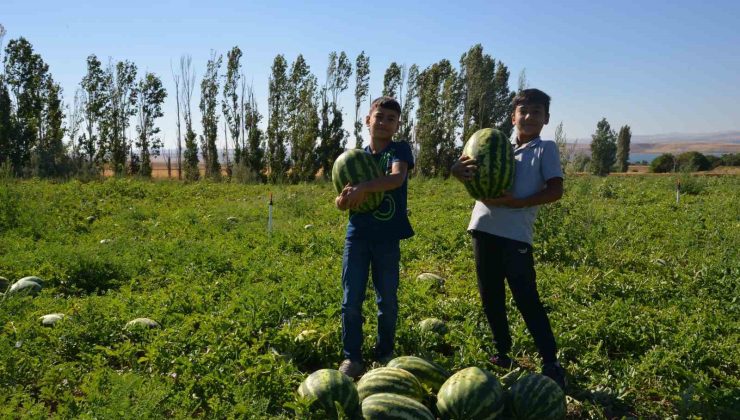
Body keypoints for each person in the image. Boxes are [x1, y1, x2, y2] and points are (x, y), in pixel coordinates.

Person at [451, 88, 567, 389]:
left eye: (536, 112)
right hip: (482, 227)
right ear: (513, 116)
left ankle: (550, 359)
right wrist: (456, 170)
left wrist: (519, 202)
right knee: (490, 295)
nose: (529, 117)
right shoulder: (494, 142)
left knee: (526, 297)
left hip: (516, 235)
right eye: (523, 112)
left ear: (546, 118)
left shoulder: (546, 149)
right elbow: (467, 171)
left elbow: (556, 190)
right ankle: (503, 352)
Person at [334, 96, 415, 379]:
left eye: (390, 119)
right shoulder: (353, 159)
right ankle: (352, 357)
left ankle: (384, 353)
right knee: (350, 298)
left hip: (387, 238)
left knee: (387, 300)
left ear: (397, 125)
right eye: (378, 117)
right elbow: (341, 201)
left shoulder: (398, 150)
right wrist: (344, 201)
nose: (383, 122)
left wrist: (363, 188)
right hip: (357, 236)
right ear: (367, 120)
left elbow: (396, 178)